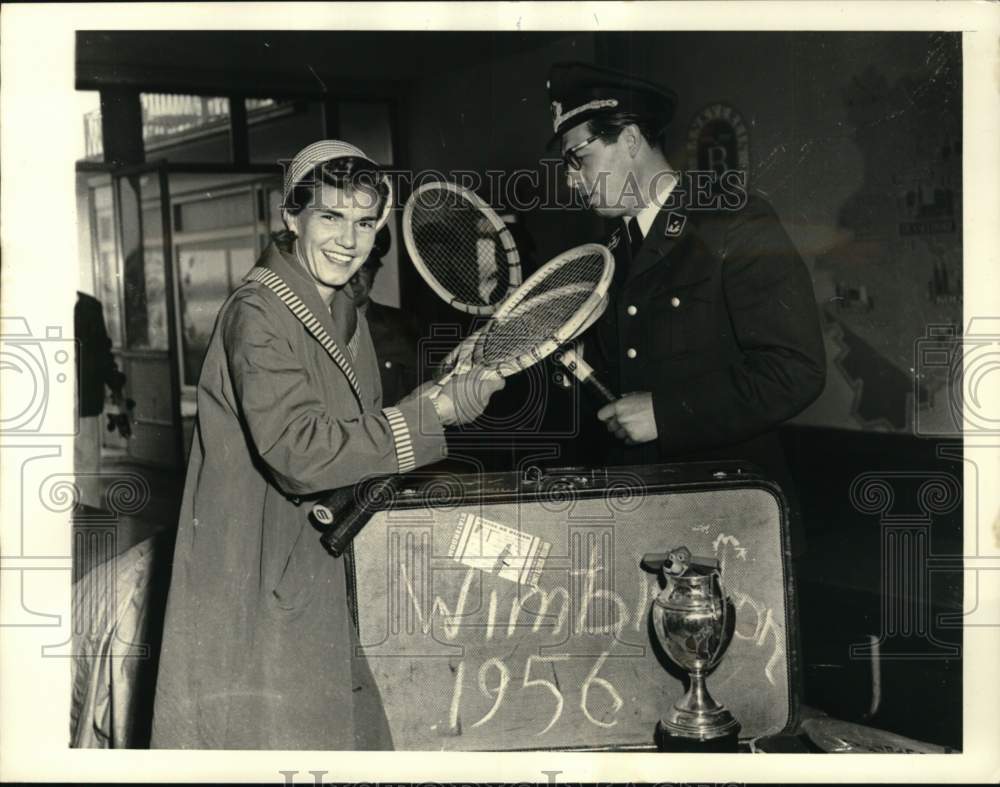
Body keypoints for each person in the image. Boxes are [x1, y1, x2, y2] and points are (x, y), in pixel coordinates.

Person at [151, 140, 503, 750]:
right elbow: (301, 453)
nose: (350, 239)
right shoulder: (259, 313)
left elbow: (354, 434)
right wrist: (429, 416)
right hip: (258, 576)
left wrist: (442, 395)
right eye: (331, 217)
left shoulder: (340, 309)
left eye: (365, 222)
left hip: (313, 570)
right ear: (291, 217)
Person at [546, 62, 826, 549]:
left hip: (731, 517)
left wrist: (667, 414)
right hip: (639, 517)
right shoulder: (608, 253)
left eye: (579, 157)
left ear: (630, 139)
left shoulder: (732, 222)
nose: (573, 179)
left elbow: (795, 368)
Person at [347, 226, 424, 406]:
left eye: (364, 267)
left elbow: (423, 403)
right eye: (347, 265)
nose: (354, 279)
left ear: (375, 273)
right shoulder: (304, 326)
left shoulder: (404, 327)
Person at [74, 292, 128, 511]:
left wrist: (116, 386)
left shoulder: (89, 307)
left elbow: (102, 352)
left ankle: (86, 517)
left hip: (84, 400)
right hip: (52, 403)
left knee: (86, 462)